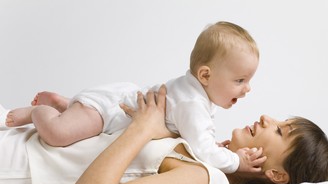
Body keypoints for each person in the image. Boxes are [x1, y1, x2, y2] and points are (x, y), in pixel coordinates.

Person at [5, 21, 261, 174]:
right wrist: (236, 161)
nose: (247, 88)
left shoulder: (196, 96)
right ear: (205, 75)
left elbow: (197, 140)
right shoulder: (192, 104)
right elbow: (204, 152)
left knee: (78, 124)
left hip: (116, 103)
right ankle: (38, 113)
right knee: (58, 135)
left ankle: (67, 104)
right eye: (240, 80)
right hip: (109, 110)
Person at [59, 86, 328, 184]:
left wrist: (143, 127)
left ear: (277, 174)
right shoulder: (205, 151)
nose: (269, 118)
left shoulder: (202, 177)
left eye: (280, 130)